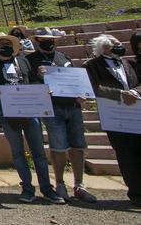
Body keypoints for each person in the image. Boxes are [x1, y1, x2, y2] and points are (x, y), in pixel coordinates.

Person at [0, 34, 65, 204]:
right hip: (7, 113)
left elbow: (33, 82)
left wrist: (42, 91)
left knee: (39, 153)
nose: (4, 46)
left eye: (7, 44)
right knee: (18, 153)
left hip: (30, 111)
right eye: (1, 44)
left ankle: (47, 189)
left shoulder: (23, 61)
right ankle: (27, 188)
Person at [26, 27, 96, 202]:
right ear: (37, 41)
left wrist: (83, 94)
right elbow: (28, 84)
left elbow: (76, 79)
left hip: (73, 105)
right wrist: (40, 84)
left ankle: (79, 184)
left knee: (78, 145)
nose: (48, 42)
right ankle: (59, 183)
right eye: (44, 39)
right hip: (52, 107)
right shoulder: (29, 60)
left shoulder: (63, 58)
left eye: (51, 39)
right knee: (58, 146)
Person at [85, 34, 141, 207]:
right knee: (126, 154)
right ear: (105, 48)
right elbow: (95, 88)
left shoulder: (129, 63)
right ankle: (136, 192)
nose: (120, 46)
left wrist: (136, 92)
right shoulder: (92, 66)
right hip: (115, 116)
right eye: (115, 44)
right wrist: (120, 94)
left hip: (136, 111)